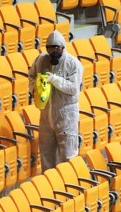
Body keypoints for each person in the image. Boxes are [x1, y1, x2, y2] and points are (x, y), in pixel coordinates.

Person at [28, 30, 83, 172]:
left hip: (66, 116)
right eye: (50, 48)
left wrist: (54, 79)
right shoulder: (41, 60)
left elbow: (73, 88)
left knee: (68, 157)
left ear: (63, 47)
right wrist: (35, 87)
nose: (53, 51)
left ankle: (68, 187)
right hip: (46, 115)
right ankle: (50, 188)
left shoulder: (72, 64)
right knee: (46, 155)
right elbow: (31, 76)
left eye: (56, 48)